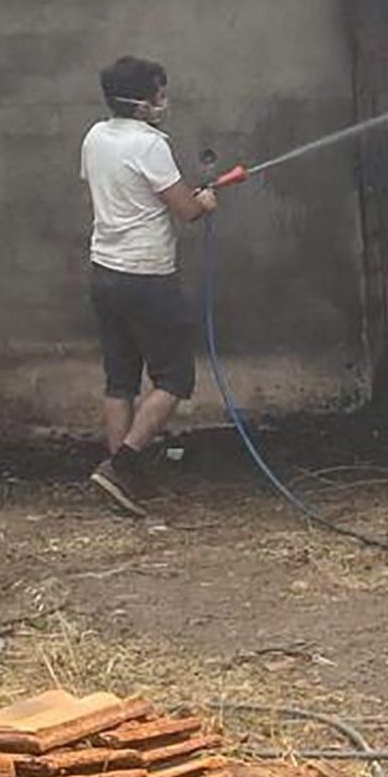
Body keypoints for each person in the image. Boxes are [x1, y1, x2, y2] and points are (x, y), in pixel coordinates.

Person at [80, 55, 217, 516]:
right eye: (159, 93)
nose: (164, 101)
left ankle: (121, 480)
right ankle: (124, 464)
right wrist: (205, 200)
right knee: (175, 377)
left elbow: (124, 191)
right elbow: (185, 209)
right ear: (141, 101)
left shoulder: (95, 137)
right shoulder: (150, 144)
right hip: (146, 276)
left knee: (120, 379)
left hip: (105, 272)